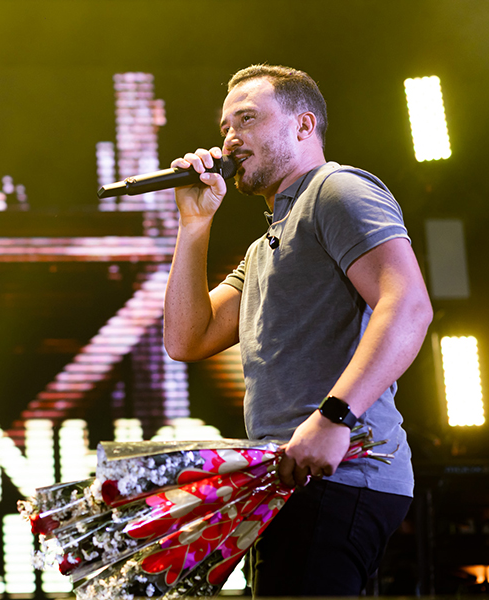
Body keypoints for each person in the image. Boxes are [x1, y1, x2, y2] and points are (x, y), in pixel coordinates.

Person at [162, 65, 433, 595]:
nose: (230, 138)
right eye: (225, 127)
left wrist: (335, 417)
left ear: (304, 125)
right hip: (288, 482)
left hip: (342, 473)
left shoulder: (335, 190)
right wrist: (194, 224)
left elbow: (408, 306)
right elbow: (186, 338)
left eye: (247, 119)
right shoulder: (265, 246)